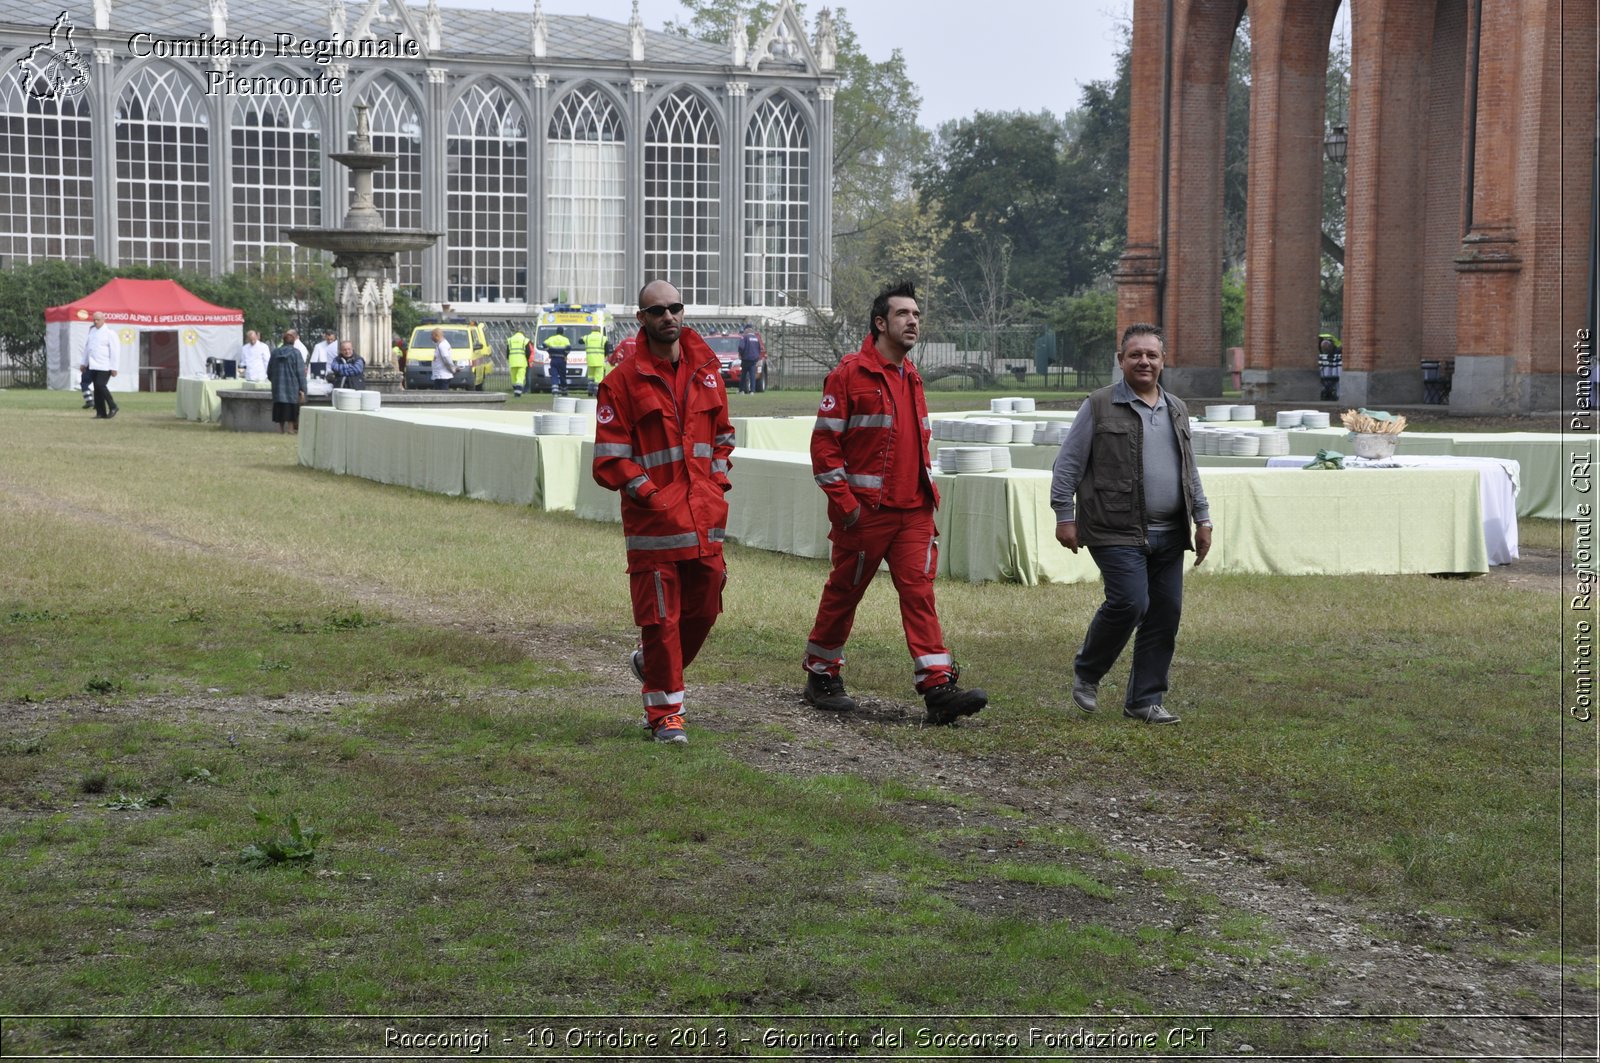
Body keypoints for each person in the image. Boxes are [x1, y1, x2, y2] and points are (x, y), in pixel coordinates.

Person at [802, 281, 987, 726]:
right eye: (904, 314)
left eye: (917, 315)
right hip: (864, 514)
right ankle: (821, 674)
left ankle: (937, 687)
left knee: (919, 594)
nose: (913, 321)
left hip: (913, 513)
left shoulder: (913, 376)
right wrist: (847, 506)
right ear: (880, 323)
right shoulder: (848, 375)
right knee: (844, 594)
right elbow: (824, 448)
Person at [591, 280, 734, 745]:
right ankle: (665, 713)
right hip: (654, 525)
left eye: (675, 308)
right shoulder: (620, 383)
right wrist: (651, 495)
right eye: (658, 311)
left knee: (708, 602)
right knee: (661, 619)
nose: (668, 317)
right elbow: (611, 457)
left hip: (703, 515)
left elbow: (722, 437)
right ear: (642, 320)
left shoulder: (708, 371)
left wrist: (715, 483)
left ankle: (651, 666)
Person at [1051, 322, 1213, 726]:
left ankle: (1144, 699)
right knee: (1130, 602)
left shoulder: (1176, 408)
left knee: (1164, 614)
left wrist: (1203, 518)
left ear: (1162, 361)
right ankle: (1088, 672)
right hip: (1114, 527)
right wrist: (1064, 515)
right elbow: (1067, 465)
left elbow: (1188, 470)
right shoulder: (1099, 405)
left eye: (1152, 355)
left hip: (1170, 532)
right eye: (1135, 354)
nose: (1144, 361)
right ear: (1121, 360)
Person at [80, 310, 121, 420]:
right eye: (94, 319)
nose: (96, 321)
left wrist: (114, 367)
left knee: (100, 385)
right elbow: (87, 348)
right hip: (92, 364)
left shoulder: (110, 333)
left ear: (103, 320)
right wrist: (84, 363)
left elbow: (115, 351)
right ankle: (100, 412)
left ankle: (113, 406)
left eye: (98, 320)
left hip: (105, 365)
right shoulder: (92, 331)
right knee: (96, 388)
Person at [266, 328, 308, 434]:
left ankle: (280, 429)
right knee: (291, 406)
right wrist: (303, 388)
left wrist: (275, 381)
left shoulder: (275, 353)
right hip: (292, 386)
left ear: (283, 340)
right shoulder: (296, 353)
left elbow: (269, 371)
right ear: (293, 340)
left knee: (279, 406)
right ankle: (290, 429)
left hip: (278, 386)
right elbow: (300, 372)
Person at [543, 329, 572, 395]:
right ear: (562, 332)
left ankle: (555, 390)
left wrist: (549, 352)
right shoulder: (565, 339)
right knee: (562, 375)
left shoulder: (551, 338)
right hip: (562, 359)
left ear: (556, 332)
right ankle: (564, 391)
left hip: (553, 359)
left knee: (554, 374)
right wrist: (565, 355)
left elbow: (544, 344)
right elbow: (569, 348)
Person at [506, 326, 530, 397]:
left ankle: (515, 389)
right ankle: (518, 392)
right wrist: (527, 359)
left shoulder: (510, 340)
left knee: (514, 377)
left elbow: (507, 352)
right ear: (522, 332)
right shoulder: (525, 340)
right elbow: (528, 352)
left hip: (512, 361)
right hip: (522, 361)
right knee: (520, 377)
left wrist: (509, 358)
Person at [583, 325, 607, 394]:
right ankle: (597, 391)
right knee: (598, 378)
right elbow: (607, 349)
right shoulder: (603, 338)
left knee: (591, 377)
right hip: (599, 361)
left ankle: (590, 391)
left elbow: (580, 341)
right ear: (599, 330)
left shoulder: (587, 338)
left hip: (590, 361)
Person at [738, 323, 761, 394]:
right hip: (754, 360)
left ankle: (741, 390)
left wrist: (740, 354)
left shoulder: (744, 337)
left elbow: (741, 347)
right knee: (752, 376)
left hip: (746, 359)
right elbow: (759, 348)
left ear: (747, 329)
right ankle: (752, 391)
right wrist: (757, 358)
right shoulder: (756, 338)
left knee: (743, 375)